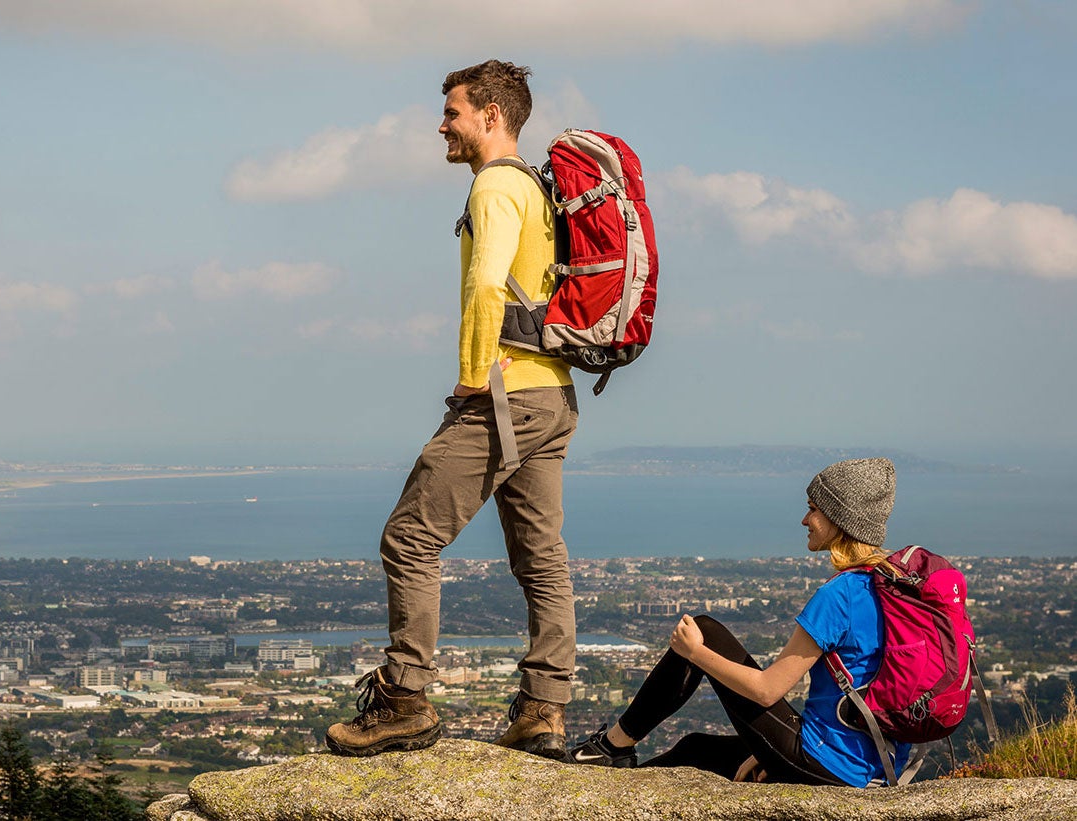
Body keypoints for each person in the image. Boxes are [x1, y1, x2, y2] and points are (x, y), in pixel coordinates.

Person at [326, 60, 578, 760]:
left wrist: (471, 378)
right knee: (541, 558)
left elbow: (486, 286)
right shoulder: (537, 188)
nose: (442, 125)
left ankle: (404, 700)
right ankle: (543, 711)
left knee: (409, 536)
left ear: (492, 115)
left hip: (503, 392)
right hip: (552, 395)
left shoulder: (497, 185)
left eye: (454, 112)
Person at [569, 457, 912, 787]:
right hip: (874, 765)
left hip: (834, 764)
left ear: (840, 519)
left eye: (813, 509)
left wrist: (694, 653)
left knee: (704, 631)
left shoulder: (840, 596)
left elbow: (766, 691)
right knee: (696, 749)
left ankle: (609, 749)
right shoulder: (894, 587)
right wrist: (769, 751)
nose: (805, 520)